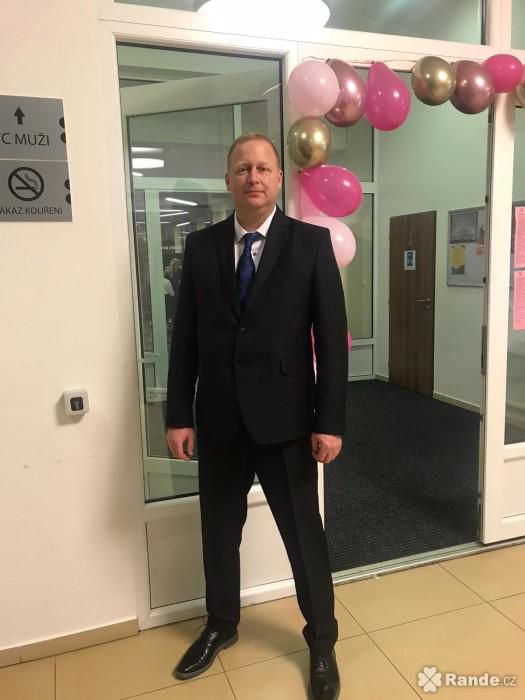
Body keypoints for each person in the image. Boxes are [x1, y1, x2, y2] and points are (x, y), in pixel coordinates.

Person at [166, 133, 347, 700]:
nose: (254, 177)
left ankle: (322, 641)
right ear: (228, 180)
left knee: (304, 539)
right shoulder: (201, 248)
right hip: (219, 420)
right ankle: (221, 624)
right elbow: (185, 338)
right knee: (219, 534)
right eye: (243, 168)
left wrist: (329, 421)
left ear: (278, 178)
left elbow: (331, 342)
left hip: (287, 423)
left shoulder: (310, 244)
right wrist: (178, 414)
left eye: (264, 168)